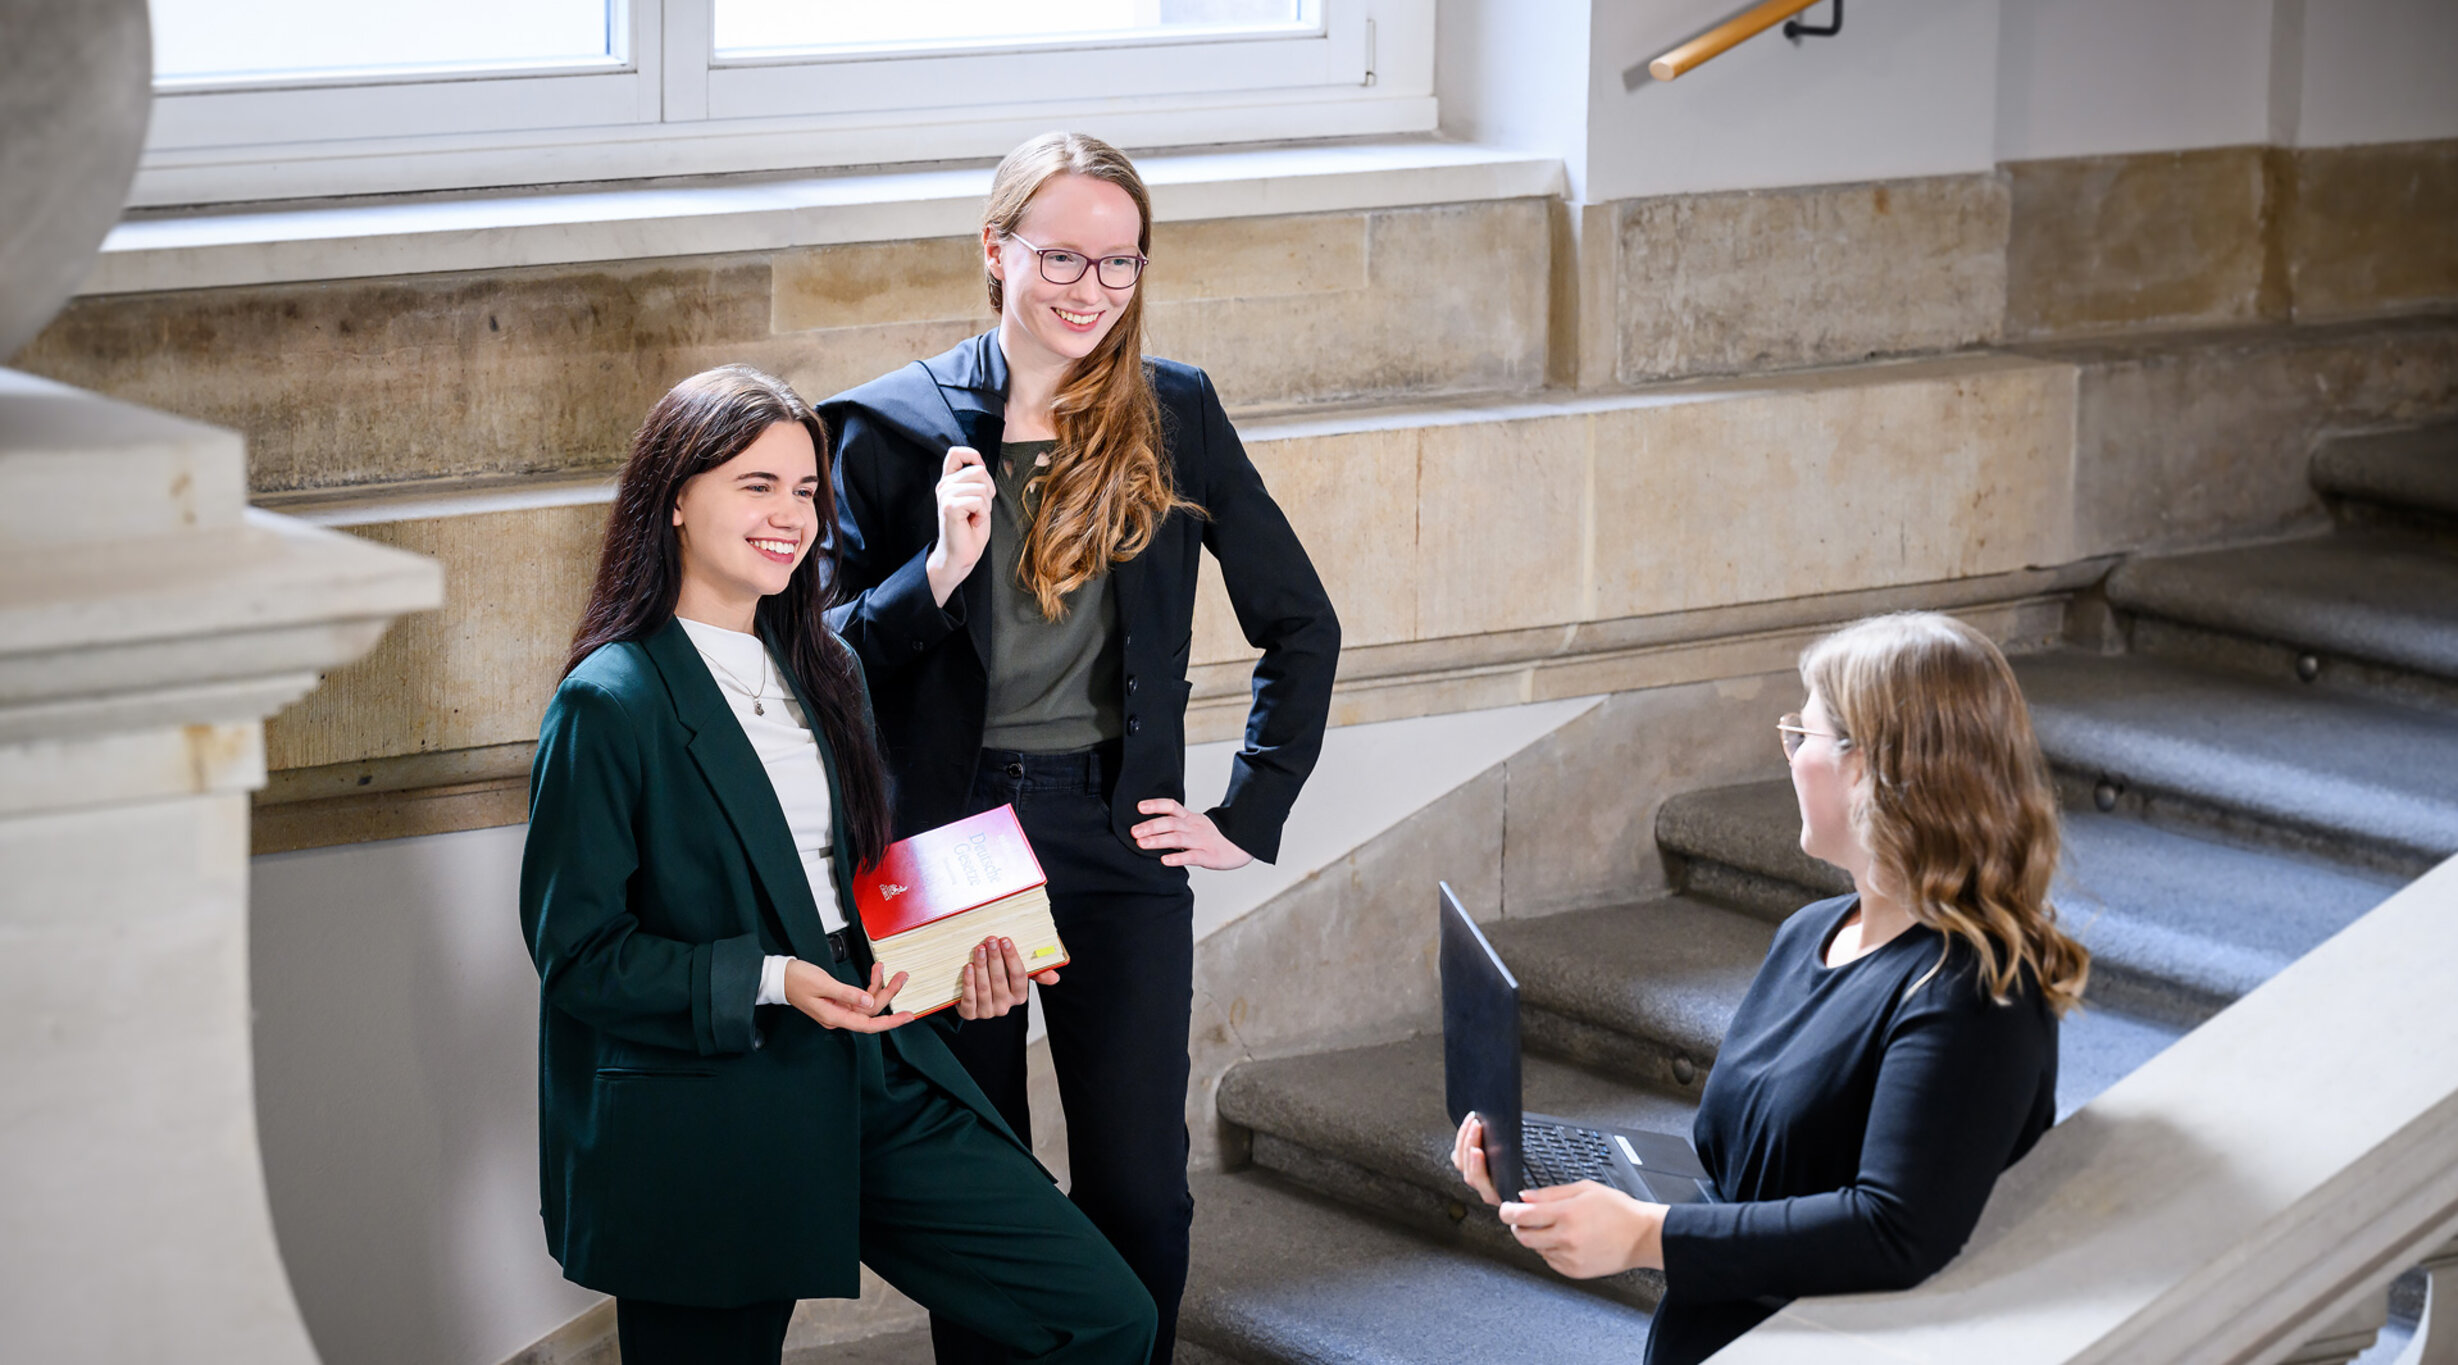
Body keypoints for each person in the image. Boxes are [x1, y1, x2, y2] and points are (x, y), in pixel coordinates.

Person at [821, 131, 1341, 1365]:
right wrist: (937, 569)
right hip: (949, 840)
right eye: (1062, 256)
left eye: (1120, 264)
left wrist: (1248, 806)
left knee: (1141, 1192)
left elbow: (1299, 625)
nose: (1090, 290)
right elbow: (823, 665)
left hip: (1116, 832)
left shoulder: (1175, 414)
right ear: (995, 252)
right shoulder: (888, 430)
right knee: (984, 1194)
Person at [520, 364, 1157, 1365]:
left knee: (1103, 1315)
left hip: (876, 1065)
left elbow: (857, 885)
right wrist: (775, 981)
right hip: (718, 1100)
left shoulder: (831, 669)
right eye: (756, 485)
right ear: (676, 498)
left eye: (806, 490)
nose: (790, 515)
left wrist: (959, 959)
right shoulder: (610, 702)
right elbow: (579, 954)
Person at [1451, 611, 2091, 1365]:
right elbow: (1742, 1171)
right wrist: (1556, 1179)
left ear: (1870, 769)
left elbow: (1891, 1229)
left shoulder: (1976, 991)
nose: (1787, 756)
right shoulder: (1812, 930)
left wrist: (1643, 1233)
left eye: (1803, 734)